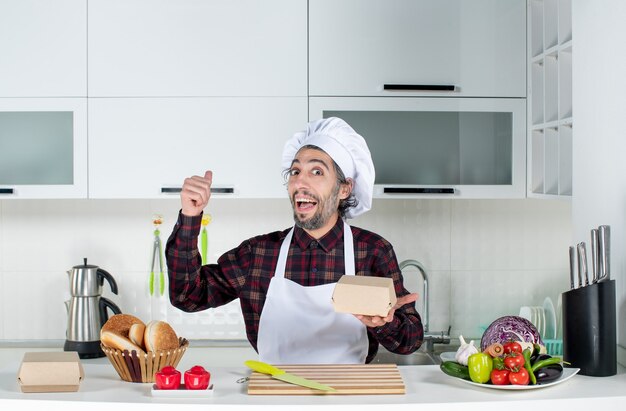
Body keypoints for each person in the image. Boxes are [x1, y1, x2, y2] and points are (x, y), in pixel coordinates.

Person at [165, 117, 423, 364]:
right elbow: (188, 296)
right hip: (274, 395)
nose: (300, 181)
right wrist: (190, 215)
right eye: (295, 170)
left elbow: (409, 341)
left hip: (346, 396)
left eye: (317, 171)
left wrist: (386, 322)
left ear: (344, 188)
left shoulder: (372, 252)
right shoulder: (258, 254)